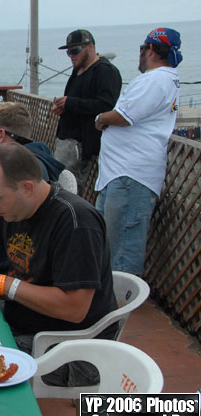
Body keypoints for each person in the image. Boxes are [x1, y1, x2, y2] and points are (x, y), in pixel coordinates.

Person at [0, 142, 117, 386]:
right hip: (20, 322)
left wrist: (2, 283)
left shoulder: (75, 222)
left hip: (68, 349)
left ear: (27, 187)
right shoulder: (13, 208)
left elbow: (74, 308)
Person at [94, 27, 182, 276]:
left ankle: (122, 305)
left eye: (142, 49)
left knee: (122, 247)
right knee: (110, 242)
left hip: (131, 175)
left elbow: (124, 116)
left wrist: (100, 117)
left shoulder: (156, 79)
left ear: (151, 49)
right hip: (122, 174)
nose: (140, 55)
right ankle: (110, 298)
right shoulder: (164, 79)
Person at [52, 29, 122, 196]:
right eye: (68, 51)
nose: (71, 55)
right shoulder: (77, 71)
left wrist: (71, 102)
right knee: (58, 185)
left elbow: (106, 105)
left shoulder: (105, 71)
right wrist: (64, 107)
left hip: (82, 145)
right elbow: (77, 103)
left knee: (70, 192)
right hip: (66, 140)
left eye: (75, 50)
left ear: (90, 46)